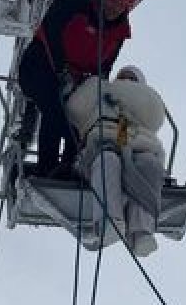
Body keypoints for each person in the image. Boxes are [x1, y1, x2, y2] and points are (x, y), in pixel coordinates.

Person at [15, 0, 140, 178]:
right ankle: (48, 167)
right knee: (54, 107)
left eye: (121, 6)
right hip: (39, 65)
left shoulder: (119, 32)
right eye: (112, 0)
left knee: (82, 116)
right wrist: (62, 69)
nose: (113, 9)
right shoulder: (74, 1)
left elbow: (104, 67)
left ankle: (71, 165)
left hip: (74, 78)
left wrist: (99, 95)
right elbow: (51, 33)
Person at [65, 65, 167, 257]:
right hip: (103, 142)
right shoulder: (101, 92)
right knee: (108, 159)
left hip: (137, 144)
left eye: (132, 79)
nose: (126, 81)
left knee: (148, 164)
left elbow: (154, 116)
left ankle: (141, 231)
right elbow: (75, 109)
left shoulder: (144, 107)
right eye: (123, 77)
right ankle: (110, 220)